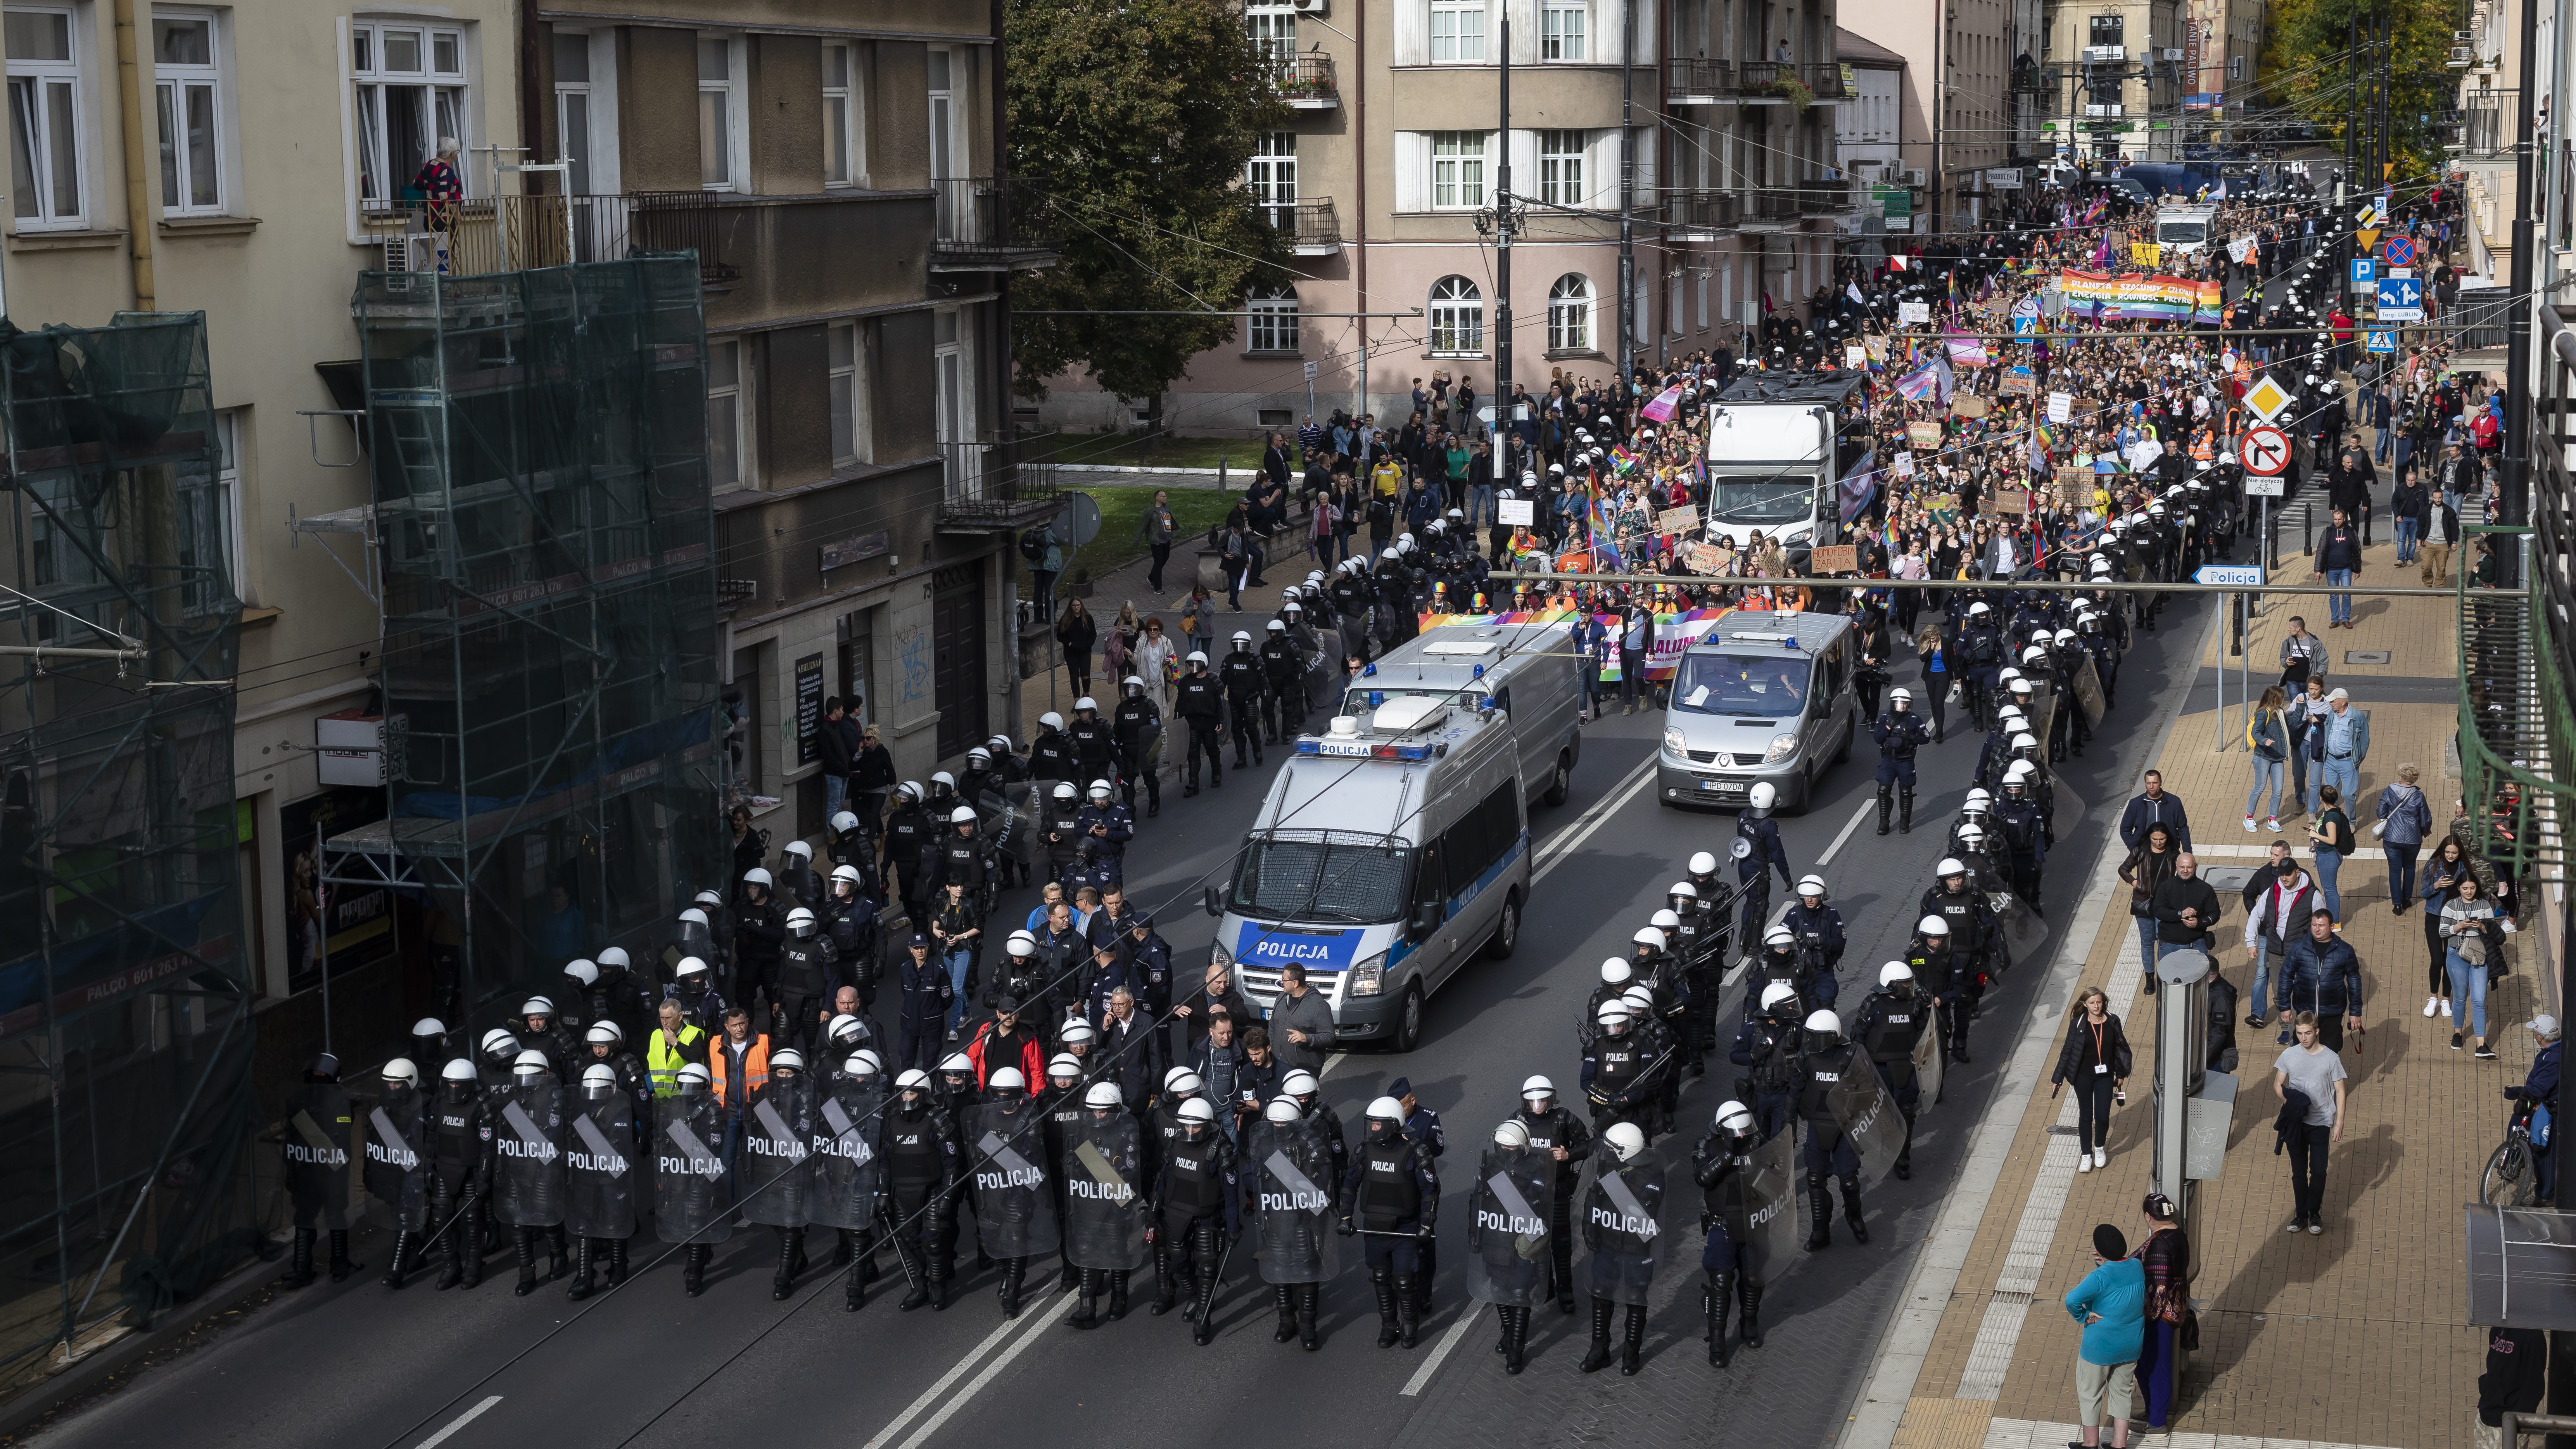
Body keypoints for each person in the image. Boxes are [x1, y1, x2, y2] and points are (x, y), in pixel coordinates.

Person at [1337, 1095, 1440, 1349]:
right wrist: (1345, 1217)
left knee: (1404, 1280)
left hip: (1406, 1227)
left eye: (1377, 1124)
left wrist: (1426, 1225)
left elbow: (1430, 1191)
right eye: (1370, 1123)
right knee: (1381, 1278)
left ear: (1393, 1125)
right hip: (1374, 1226)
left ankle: (1409, 1325)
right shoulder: (1364, 1150)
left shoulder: (1416, 1151)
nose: (1372, 1128)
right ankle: (1388, 1325)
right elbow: (1350, 1183)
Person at [2063, 1223, 2146, 1449]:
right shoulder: (2137, 1266)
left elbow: (2071, 1299)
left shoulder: (2099, 1277)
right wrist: (2105, 1263)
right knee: (2123, 1392)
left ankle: (2091, 1444)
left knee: (2090, 1394)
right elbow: (2117, 1275)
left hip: (2099, 1347)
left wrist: (2083, 1316)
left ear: (2099, 1250)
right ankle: (2119, 1445)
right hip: (2131, 1344)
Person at [2272, 1010, 2348, 1234]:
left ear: (2317, 1032)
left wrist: (2339, 1122)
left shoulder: (2331, 1058)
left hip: (2321, 1121)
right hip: (2296, 1123)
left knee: (2319, 1171)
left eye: (2307, 1033)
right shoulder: (2289, 1055)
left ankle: (2314, 1213)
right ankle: (2300, 1214)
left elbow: (2340, 1091)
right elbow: (2278, 1084)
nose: (2303, 1038)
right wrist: (2290, 1102)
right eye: (2299, 1033)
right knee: (2298, 1172)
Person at [2052, 987, 2131, 1174]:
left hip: (2105, 1076)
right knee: (2086, 1116)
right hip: (2083, 1077)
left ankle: (2100, 1148)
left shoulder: (2113, 1021)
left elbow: (2121, 1049)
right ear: (2084, 1004)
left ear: (2104, 1002)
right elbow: (2067, 1052)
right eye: (2092, 1003)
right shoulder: (2077, 1024)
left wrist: (2121, 1074)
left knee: (2103, 1116)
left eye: (2099, 1002)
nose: (2096, 1006)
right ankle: (2086, 1155)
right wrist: (2058, 1077)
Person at [2132, 1194, 2192, 1431]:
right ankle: (2152, 1412)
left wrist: (2144, 1314)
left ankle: (2157, 1421)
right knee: (2153, 1365)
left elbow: (2158, 1286)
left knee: (2154, 1366)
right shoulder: (2178, 1235)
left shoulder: (2158, 1242)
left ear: (2149, 1217)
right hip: (2175, 1310)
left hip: (2159, 1317)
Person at [2241, 858, 2319, 1034]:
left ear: (2297, 873)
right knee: (2280, 993)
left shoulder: (2312, 894)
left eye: (2288, 874)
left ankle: (2300, 1032)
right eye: (2281, 875)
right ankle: (2287, 1029)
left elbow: (2321, 922)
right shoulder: (2272, 892)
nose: (2284, 878)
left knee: (2299, 993)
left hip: (2300, 953)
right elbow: (2255, 916)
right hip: (2276, 952)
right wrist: (2250, 943)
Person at [2422, 835, 2488, 1023]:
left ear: (2460, 853)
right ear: (2443, 851)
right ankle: (2433, 997)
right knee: (2437, 960)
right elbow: (2423, 893)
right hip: (2434, 918)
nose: (2451, 856)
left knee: (2451, 960)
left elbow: (2475, 890)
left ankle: (2446, 1000)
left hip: (2456, 920)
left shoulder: (2465, 869)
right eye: (2448, 852)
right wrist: (2436, 885)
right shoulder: (2433, 865)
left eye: (2455, 853)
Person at [2441, 873, 2505, 1058]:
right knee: (2460, 997)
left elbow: (2494, 931)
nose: (2469, 892)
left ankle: (2481, 1045)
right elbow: (2442, 931)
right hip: (2457, 956)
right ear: (2459, 888)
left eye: (2473, 888)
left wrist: (2483, 927)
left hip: (2480, 956)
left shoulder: (2485, 905)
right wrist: (2460, 926)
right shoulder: (2451, 906)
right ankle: (2458, 1033)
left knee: (2479, 1000)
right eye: (2465, 889)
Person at [2116, 823, 2180, 989]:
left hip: (2164, 904)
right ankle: (2150, 978)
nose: (2159, 842)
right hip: (2143, 902)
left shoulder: (2173, 853)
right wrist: (2135, 882)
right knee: (2147, 942)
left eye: (2162, 839)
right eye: (2155, 839)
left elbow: (2181, 875)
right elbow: (2123, 869)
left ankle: (2163, 976)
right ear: (2149, 838)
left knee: (2164, 941)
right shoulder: (2141, 850)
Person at [2147, 853, 2221, 987]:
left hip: (2196, 943)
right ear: (2176, 866)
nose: (2185, 871)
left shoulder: (2205, 889)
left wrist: (2200, 923)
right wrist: (2180, 914)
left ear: (2196, 867)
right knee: (2167, 982)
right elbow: (2158, 911)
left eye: (2189, 867)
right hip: (2169, 944)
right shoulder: (2166, 887)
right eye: (2182, 867)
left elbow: (2215, 913)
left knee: (2196, 982)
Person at [2375, 763, 2434, 914]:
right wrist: (2425, 831)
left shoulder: (2389, 791)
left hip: (2392, 838)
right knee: (2410, 868)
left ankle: (2396, 904)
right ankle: (2407, 899)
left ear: (2401, 777)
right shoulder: (2418, 795)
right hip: (2413, 839)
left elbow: (2381, 812)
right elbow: (2426, 818)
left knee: (2394, 870)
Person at [1268, 963, 1337, 1076]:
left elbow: (1330, 1037)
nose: (1281, 983)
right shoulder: (1281, 998)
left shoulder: (1319, 1006)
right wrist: (1271, 1045)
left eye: (1284, 980)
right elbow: (1272, 1026)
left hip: (1305, 1070)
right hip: (1278, 1065)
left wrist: (1306, 1038)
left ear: (1295, 983)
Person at [2311, 686, 2370, 818]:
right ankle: (2334, 818)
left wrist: (2357, 759)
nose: (2330, 703)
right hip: (2331, 760)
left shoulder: (2357, 717)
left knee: (2349, 794)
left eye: (2333, 701)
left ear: (2343, 702)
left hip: (2348, 761)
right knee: (2329, 794)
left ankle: (2351, 821)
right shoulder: (2332, 715)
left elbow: (2365, 741)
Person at [2244, 685, 2291, 832]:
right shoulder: (2263, 713)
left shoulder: (2280, 712)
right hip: (2263, 756)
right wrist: (2265, 741)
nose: (2282, 701)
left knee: (2278, 790)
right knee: (2260, 787)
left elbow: (2291, 725)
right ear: (2273, 699)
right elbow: (2256, 732)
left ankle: (2272, 820)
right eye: (2280, 699)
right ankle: (2249, 818)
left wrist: (2301, 709)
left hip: (2277, 757)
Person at [2308, 783, 2352, 922]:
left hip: (2329, 856)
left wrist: (2315, 835)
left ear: (2321, 798)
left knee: (2330, 890)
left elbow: (2332, 840)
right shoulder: (2334, 811)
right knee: (2328, 889)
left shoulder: (2331, 817)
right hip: (2328, 855)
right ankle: (2333, 919)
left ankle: (2335, 922)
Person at [1055, 597, 1098, 699]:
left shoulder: (1088, 618)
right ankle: (1077, 700)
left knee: (1086, 676)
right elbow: (1060, 636)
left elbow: (1093, 635)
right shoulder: (1066, 619)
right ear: (1071, 606)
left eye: (1078, 605)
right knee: (1074, 677)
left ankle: (1086, 694)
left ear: (1081, 606)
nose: (1076, 607)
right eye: (1074, 605)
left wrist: (1087, 644)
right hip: (1071, 653)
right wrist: (1069, 644)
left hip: (1085, 651)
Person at [1139, 489, 1177, 593]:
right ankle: (1158, 588)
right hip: (1156, 541)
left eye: (1166, 496)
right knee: (1159, 562)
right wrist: (1137, 540)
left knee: (1166, 558)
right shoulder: (1151, 510)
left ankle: (1152, 577)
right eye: (1163, 496)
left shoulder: (1167, 507)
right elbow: (1143, 525)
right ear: (1157, 498)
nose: (1166, 498)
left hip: (1167, 539)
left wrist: (1173, 532)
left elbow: (1171, 520)